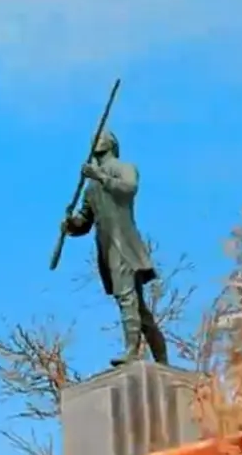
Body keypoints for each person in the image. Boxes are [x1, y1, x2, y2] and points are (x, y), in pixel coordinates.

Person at [61, 130, 170, 366]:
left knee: (126, 298)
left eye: (101, 137)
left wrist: (100, 176)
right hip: (107, 245)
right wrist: (71, 224)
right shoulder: (91, 186)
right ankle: (161, 359)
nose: (96, 140)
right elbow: (85, 220)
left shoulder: (123, 168)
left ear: (111, 144)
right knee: (138, 308)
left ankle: (132, 351)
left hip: (124, 243)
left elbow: (129, 189)